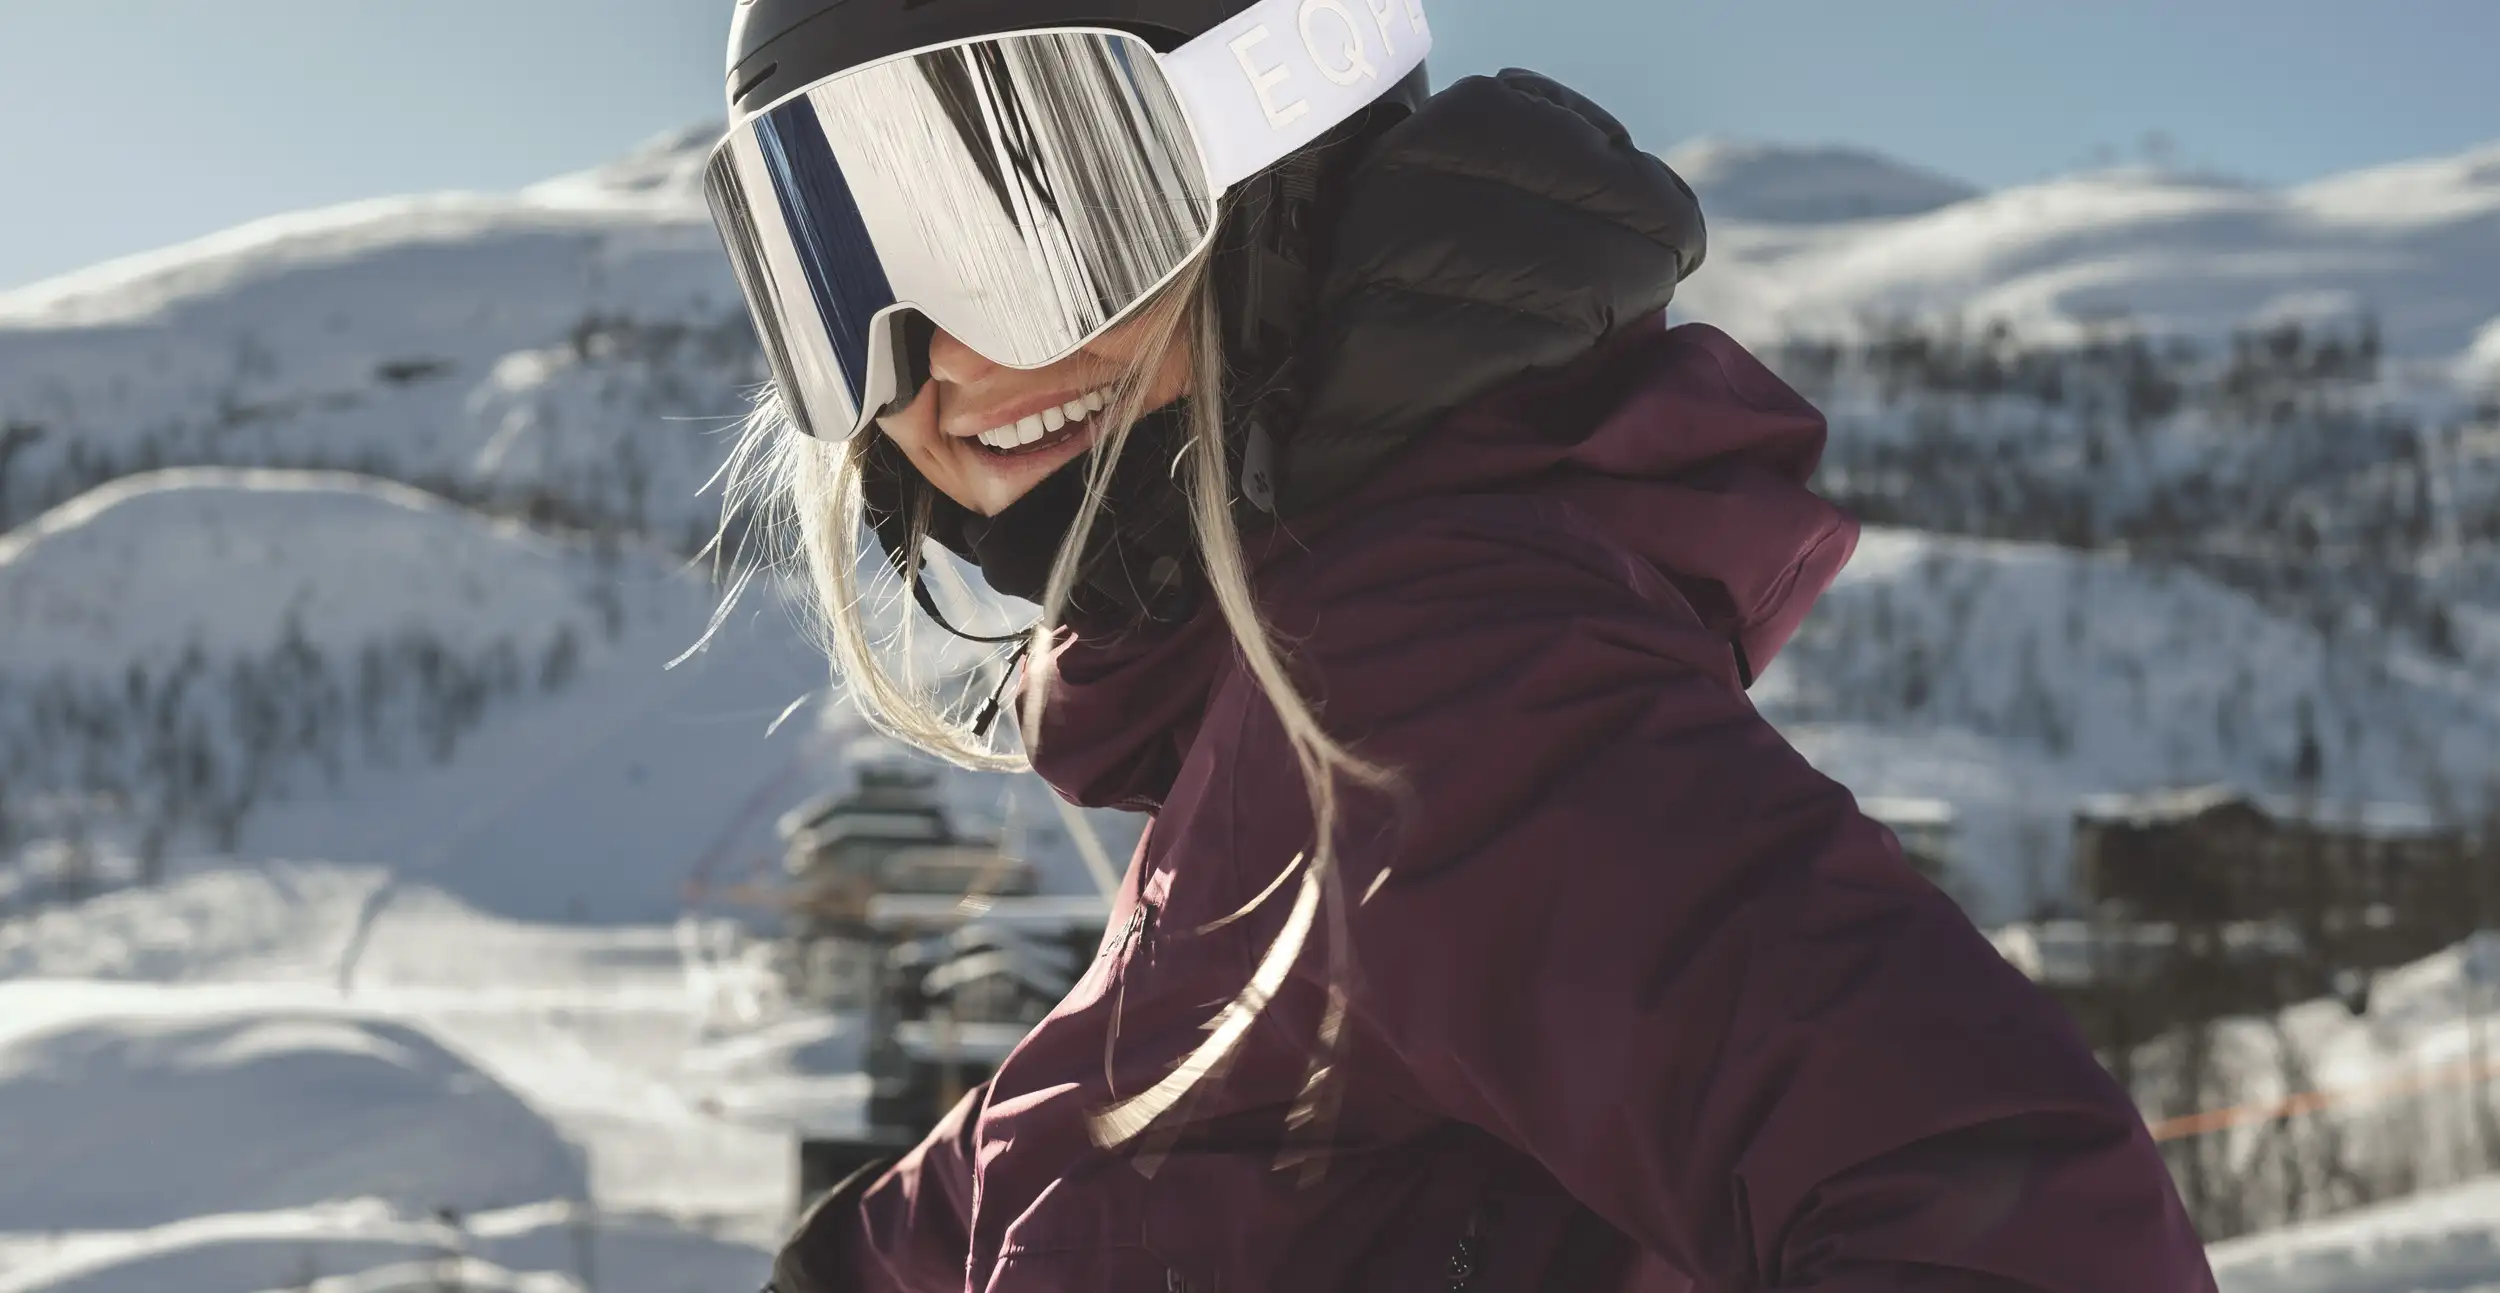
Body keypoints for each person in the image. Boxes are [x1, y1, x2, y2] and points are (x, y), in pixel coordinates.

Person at [701, 0, 2219, 1288]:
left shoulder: (1425, 681)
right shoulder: (1288, 695)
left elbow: (2024, 1217)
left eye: (1028, 216)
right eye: (837, 264)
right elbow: (1161, 1102)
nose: (949, 360)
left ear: (1277, 155)